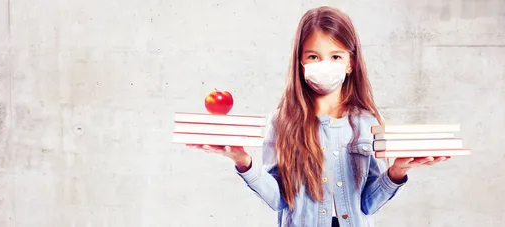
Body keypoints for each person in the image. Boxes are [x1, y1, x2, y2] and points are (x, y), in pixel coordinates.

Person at [188, 6, 450, 227]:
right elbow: (278, 199)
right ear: (301, 62)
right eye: (313, 56)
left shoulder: (366, 122)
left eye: (335, 56)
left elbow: (369, 204)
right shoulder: (282, 122)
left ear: (350, 63)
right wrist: (242, 160)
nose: (324, 64)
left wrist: (397, 171)